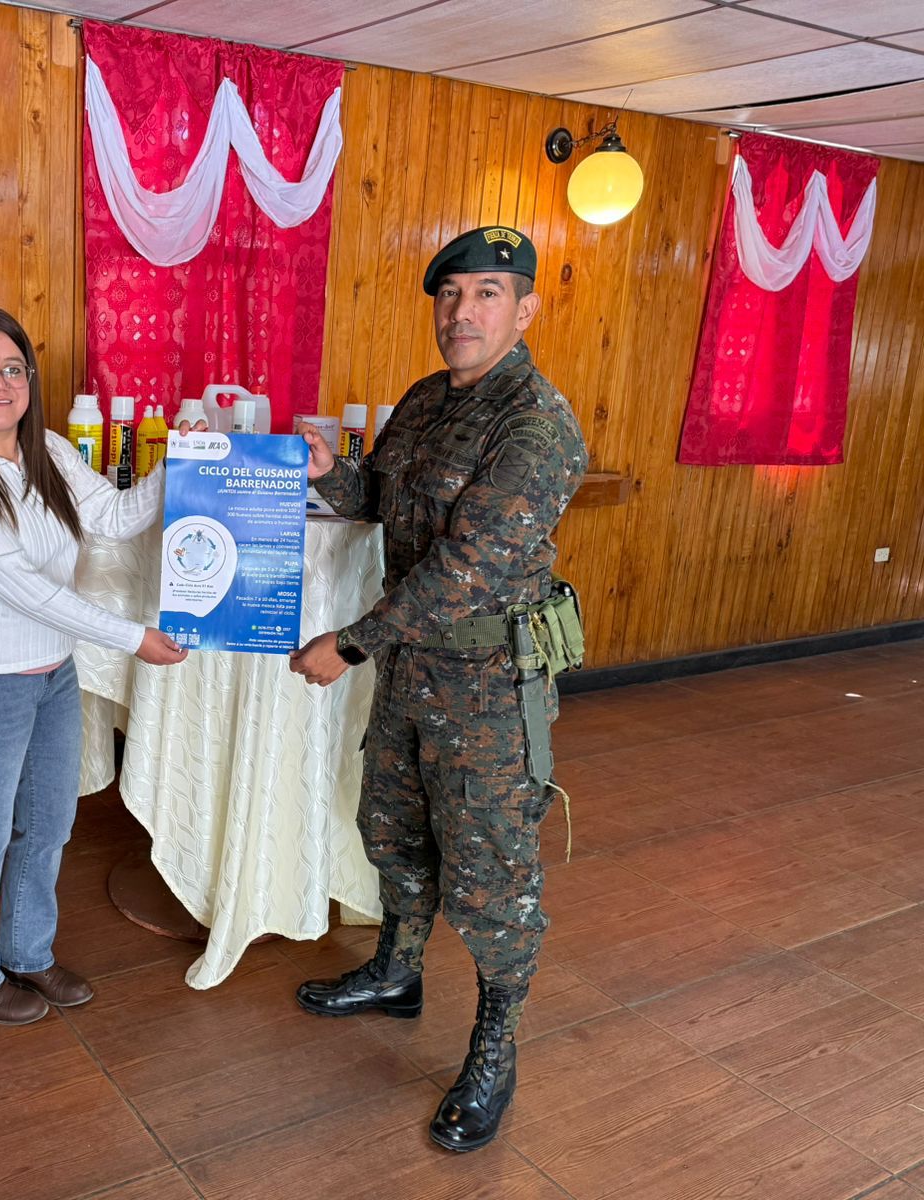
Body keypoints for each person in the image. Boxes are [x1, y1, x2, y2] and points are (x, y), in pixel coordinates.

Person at [288, 226, 586, 1152]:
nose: (463, 311)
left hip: (488, 688)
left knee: (493, 875)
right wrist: (332, 474)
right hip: (414, 674)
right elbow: (385, 501)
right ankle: (398, 970)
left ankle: (496, 1045)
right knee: (392, 829)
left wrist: (351, 643)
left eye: (488, 293)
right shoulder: (425, 400)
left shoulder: (536, 425)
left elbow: (467, 567)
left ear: (525, 309)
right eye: (450, 294)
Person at [0, 306, 189, 1026]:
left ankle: (27, 953)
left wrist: (180, 462)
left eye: (12, 368)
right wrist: (133, 638)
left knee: (48, 824)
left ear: (30, 379)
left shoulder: (50, 453)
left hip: (51, 676)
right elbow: (30, 593)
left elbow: (118, 516)